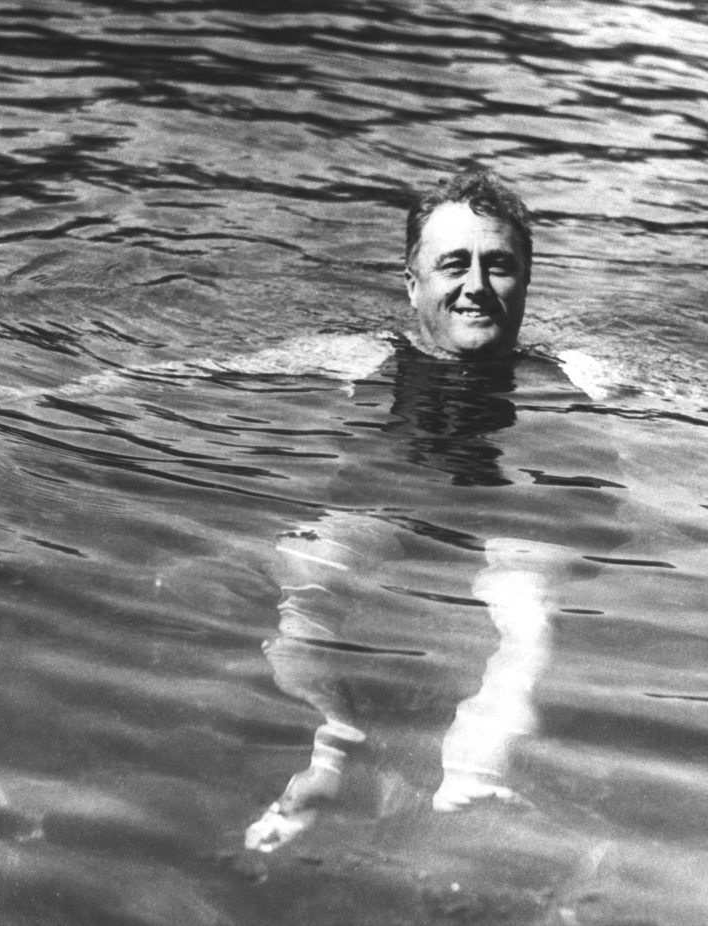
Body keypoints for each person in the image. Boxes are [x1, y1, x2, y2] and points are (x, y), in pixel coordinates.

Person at [244, 168, 629, 852]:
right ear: (412, 282)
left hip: (515, 510)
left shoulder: (579, 372)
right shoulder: (363, 355)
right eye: (454, 264)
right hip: (389, 503)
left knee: (527, 609)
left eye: (499, 266)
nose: (477, 285)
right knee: (309, 576)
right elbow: (217, 369)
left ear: (526, 282)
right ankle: (333, 739)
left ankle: (476, 768)